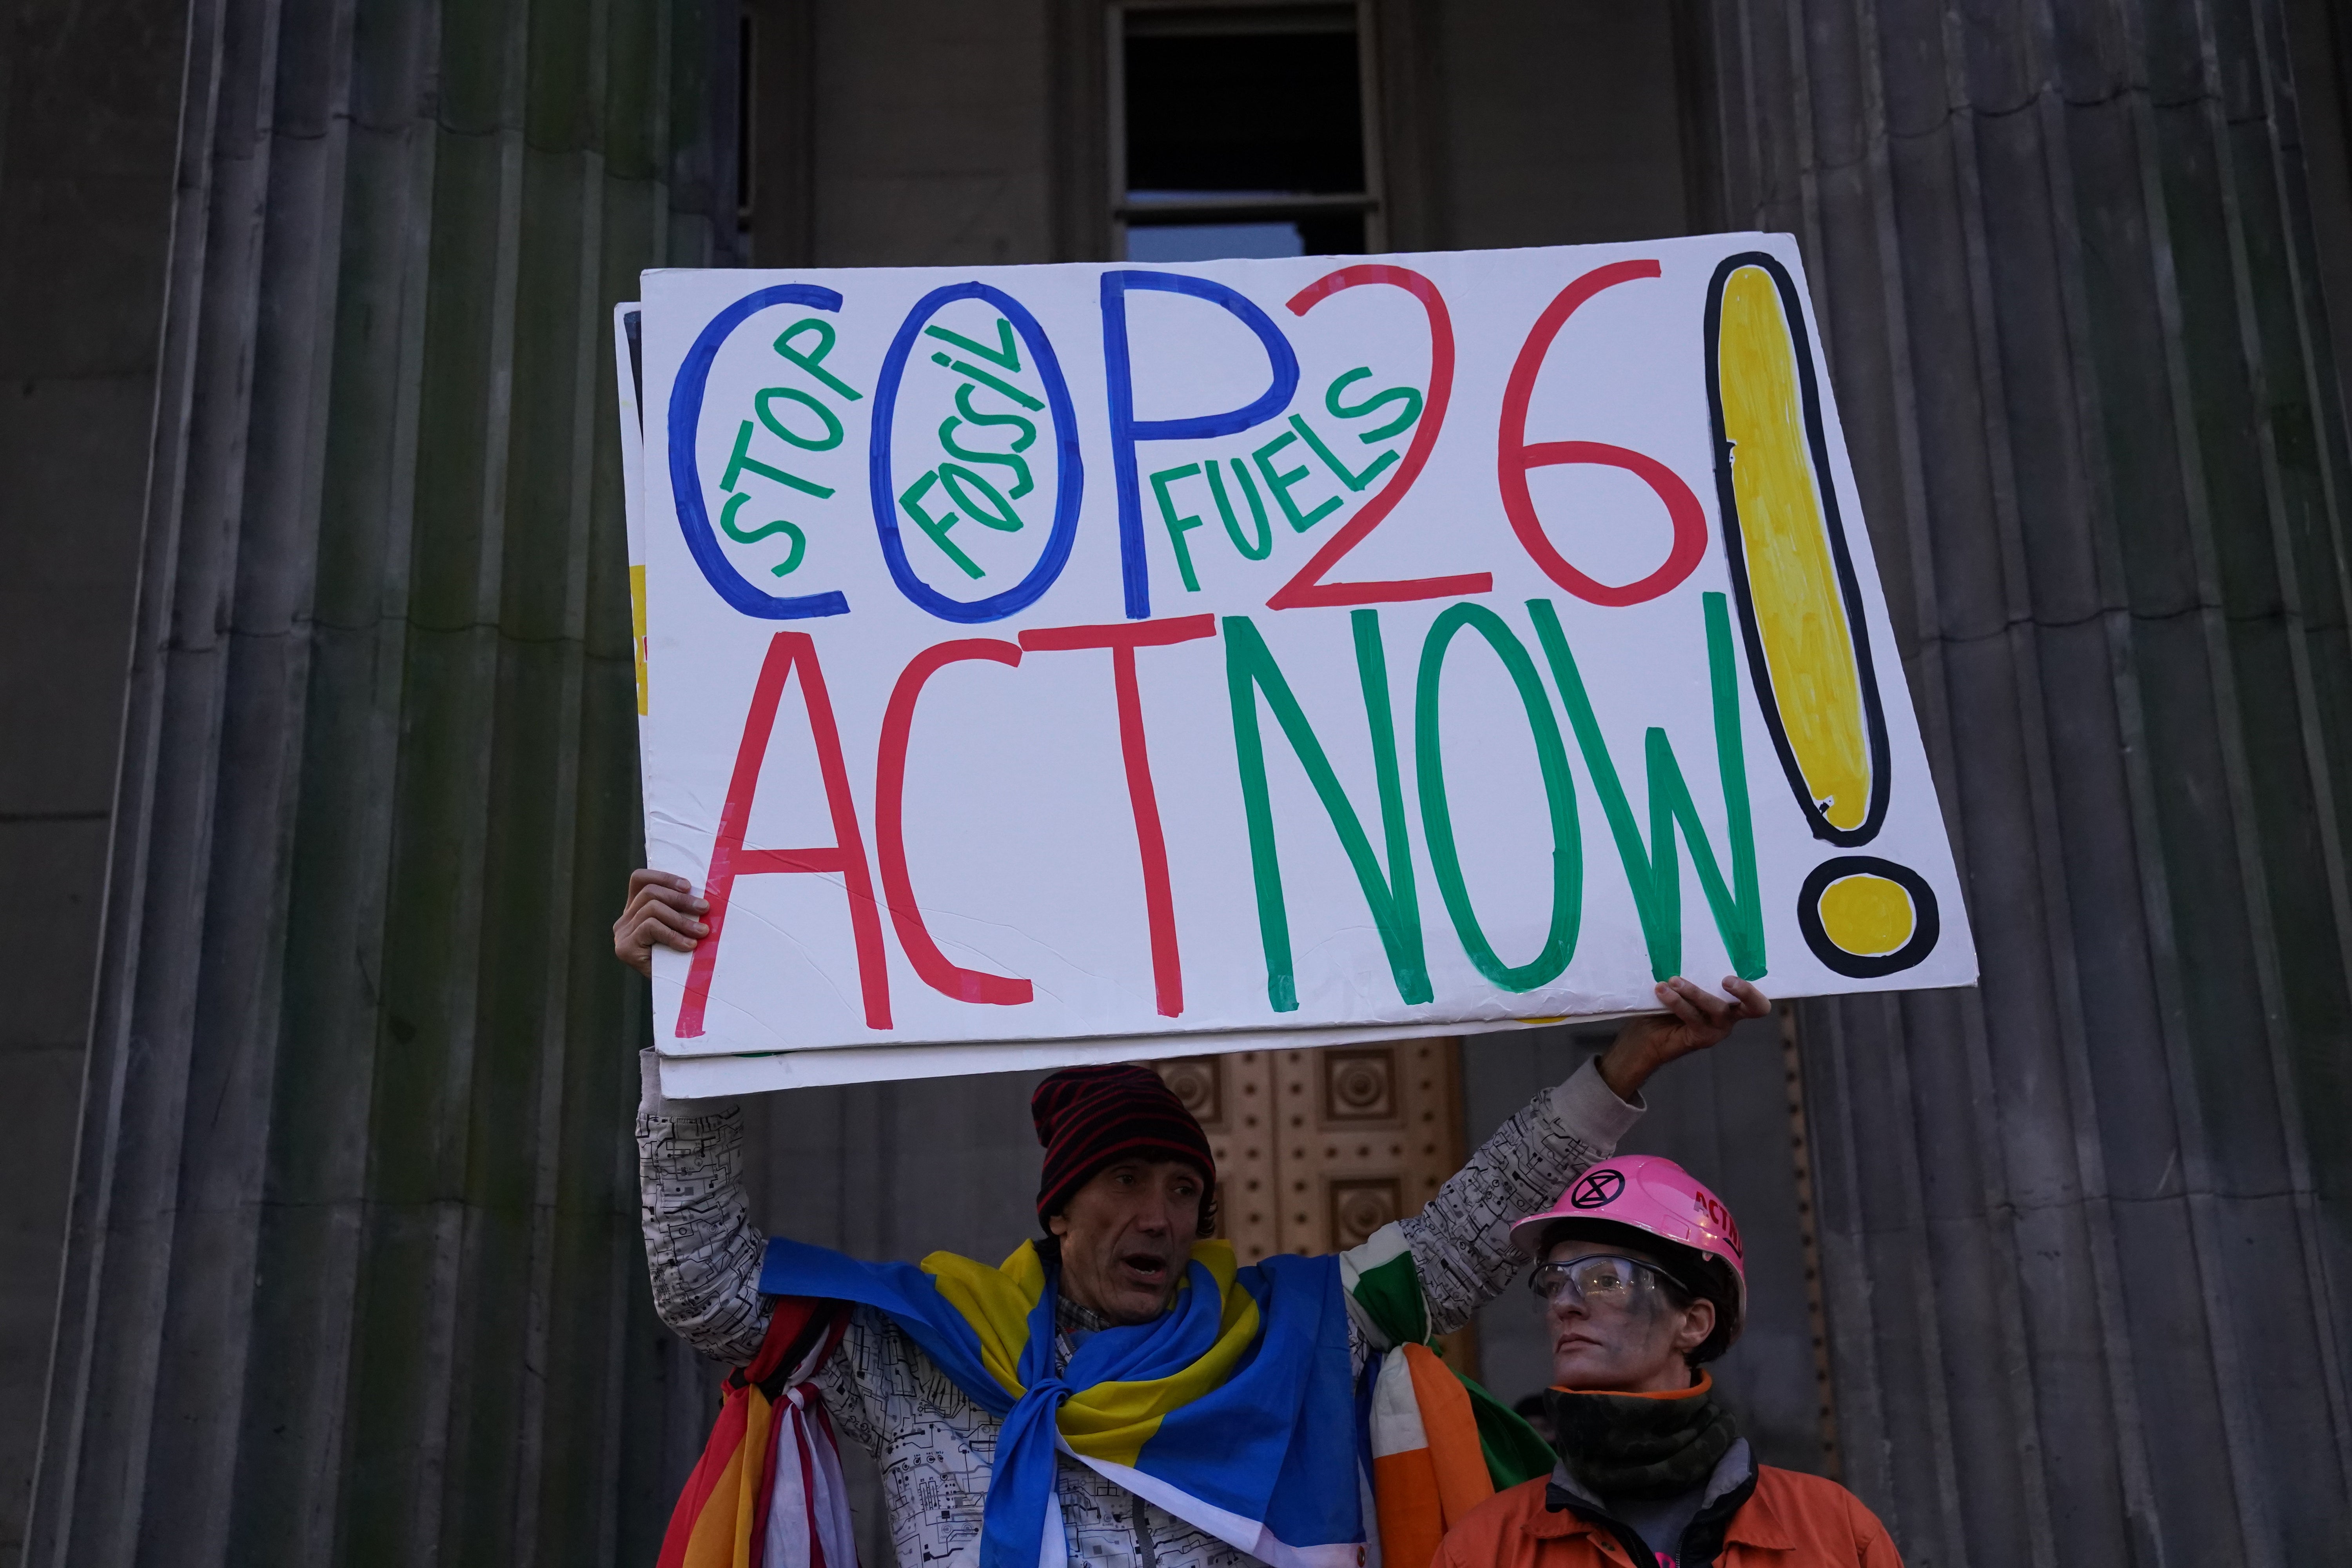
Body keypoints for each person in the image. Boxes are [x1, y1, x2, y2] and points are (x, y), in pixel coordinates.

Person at [617, 868, 1771, 1568]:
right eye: (1126, 1182)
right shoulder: (916, 1348)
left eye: (1182, 1191)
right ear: (1058, 1206)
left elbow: (1464, 1240)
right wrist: (690, 1025)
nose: (1161, 1214)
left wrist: (1622, 1068)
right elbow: (706, 1287)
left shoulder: (1282, 1338)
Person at [1433, 1157, 1901, 1568]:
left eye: (1605, 1280)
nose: (1564, 1305)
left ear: (1694, 1322)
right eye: (1554, 1283)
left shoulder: (1837, 1531)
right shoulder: (1483, 1549)